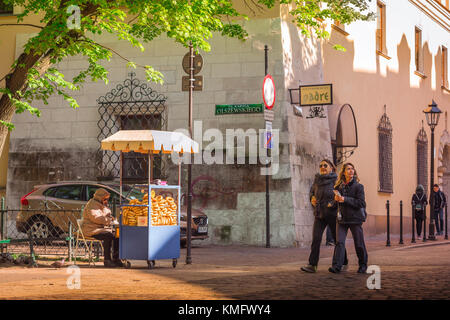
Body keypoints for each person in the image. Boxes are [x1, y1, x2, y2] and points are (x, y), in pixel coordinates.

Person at [301, 159, 348, 273]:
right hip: (319, 214)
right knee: (316, 239)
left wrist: (332, 203)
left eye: (325, 165)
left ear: (331, 168)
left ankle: (343, 262)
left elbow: (341, 195)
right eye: (321, 165)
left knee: (338, 240)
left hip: (332, 214)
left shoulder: (336, 181)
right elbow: (312, 192)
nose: (322, 167)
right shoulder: (317, 180)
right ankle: (312, 265)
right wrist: (312, 198)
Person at [329, 162, 368, 274]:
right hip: (342, 219)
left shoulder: (359, 187)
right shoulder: (338, 187)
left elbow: (361, 203)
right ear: (344, 172)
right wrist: (334, 202)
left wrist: (345, 199)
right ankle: (337, 266)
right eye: (348, 169)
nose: (351, 171)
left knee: (359, 243)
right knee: (339, 242)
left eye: (352, 169)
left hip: (355, 219)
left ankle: (363, 265)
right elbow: (335, 203)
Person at [81, 188, 122, 268]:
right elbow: (96, 218)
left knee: (117, 234)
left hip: (100, 228)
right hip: (92, 229)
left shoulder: (101, 204)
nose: (106, 200)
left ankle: (116, 258)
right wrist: (109, 220)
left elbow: (106, 215)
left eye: (107, 199)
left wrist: (110, 218)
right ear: (100, 197)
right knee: (108, 236)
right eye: (105, 199)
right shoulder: (92, 205)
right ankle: (107, 260)